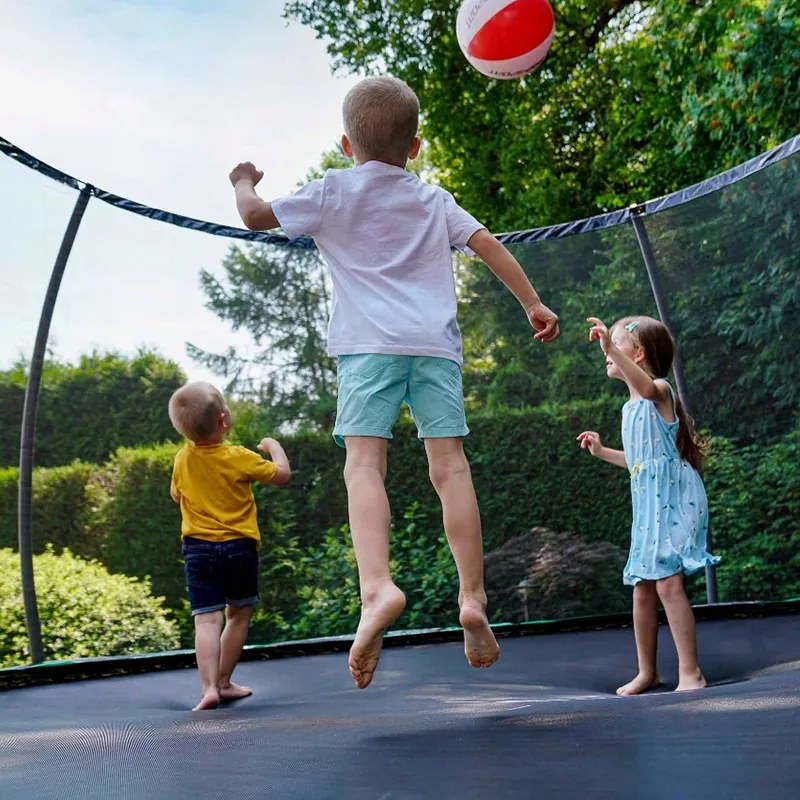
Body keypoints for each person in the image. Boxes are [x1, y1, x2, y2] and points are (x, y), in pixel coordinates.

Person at [228, 75, 560, 689]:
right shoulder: (434, 199)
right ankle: (472, 598)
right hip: (433, 350)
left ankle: (377, 586)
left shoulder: (332, 192)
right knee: (451, 468)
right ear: (415, 148)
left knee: (364, 467)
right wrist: (533, 304)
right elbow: (488, 246)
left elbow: (252, 216)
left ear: (346, 146)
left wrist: (244, 178)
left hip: (367, 350)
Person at [577, 315, 720, 695]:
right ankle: (647, 672)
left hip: (675, 500)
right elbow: (639, 462)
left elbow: (646, 387)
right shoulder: (627, 410)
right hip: (648, 505)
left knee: (668, 583)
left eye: (616, 347)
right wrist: (602, 451)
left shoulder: (659, 391)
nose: (606, 354)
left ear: (637, 354)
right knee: (642, 588)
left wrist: (611, 348)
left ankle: (691, 672)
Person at [168, 381, 291, 710]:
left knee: (206, 620)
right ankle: (223, 681)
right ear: (223, 421)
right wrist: (273, 446)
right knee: (238, 615)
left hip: (197, 549)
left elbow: (176, 494)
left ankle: (208, 688)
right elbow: (282, 475)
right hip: (238, 547)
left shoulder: (182, 459)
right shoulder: (238, 456)